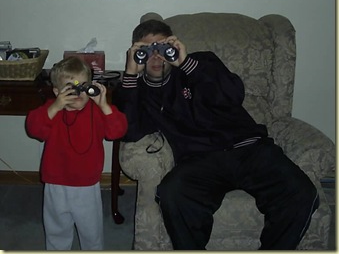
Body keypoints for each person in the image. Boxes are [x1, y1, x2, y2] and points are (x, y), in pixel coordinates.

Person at [117, 19, 320, 250]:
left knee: (301, 193)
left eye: (162, 48)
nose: (155, 56)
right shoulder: (138, 91)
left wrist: (185, 62)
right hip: (199, 161)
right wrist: (131, 73)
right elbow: (129, 130)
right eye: (146, 50)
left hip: (248, 148)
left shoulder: (200, 63)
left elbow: (233, 95)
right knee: (172, 193)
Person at [26, 56, 128, 250]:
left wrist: (104, 105)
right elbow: (34, 128)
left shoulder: (97, 110)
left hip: (87, 184)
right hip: (56, 182)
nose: (78, 92)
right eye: (70, 88)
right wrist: (56, 106)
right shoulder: (51, 110)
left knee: (91, 231)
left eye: (83, 86)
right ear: (57, 92)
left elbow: (118, 131)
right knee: (57, 229)